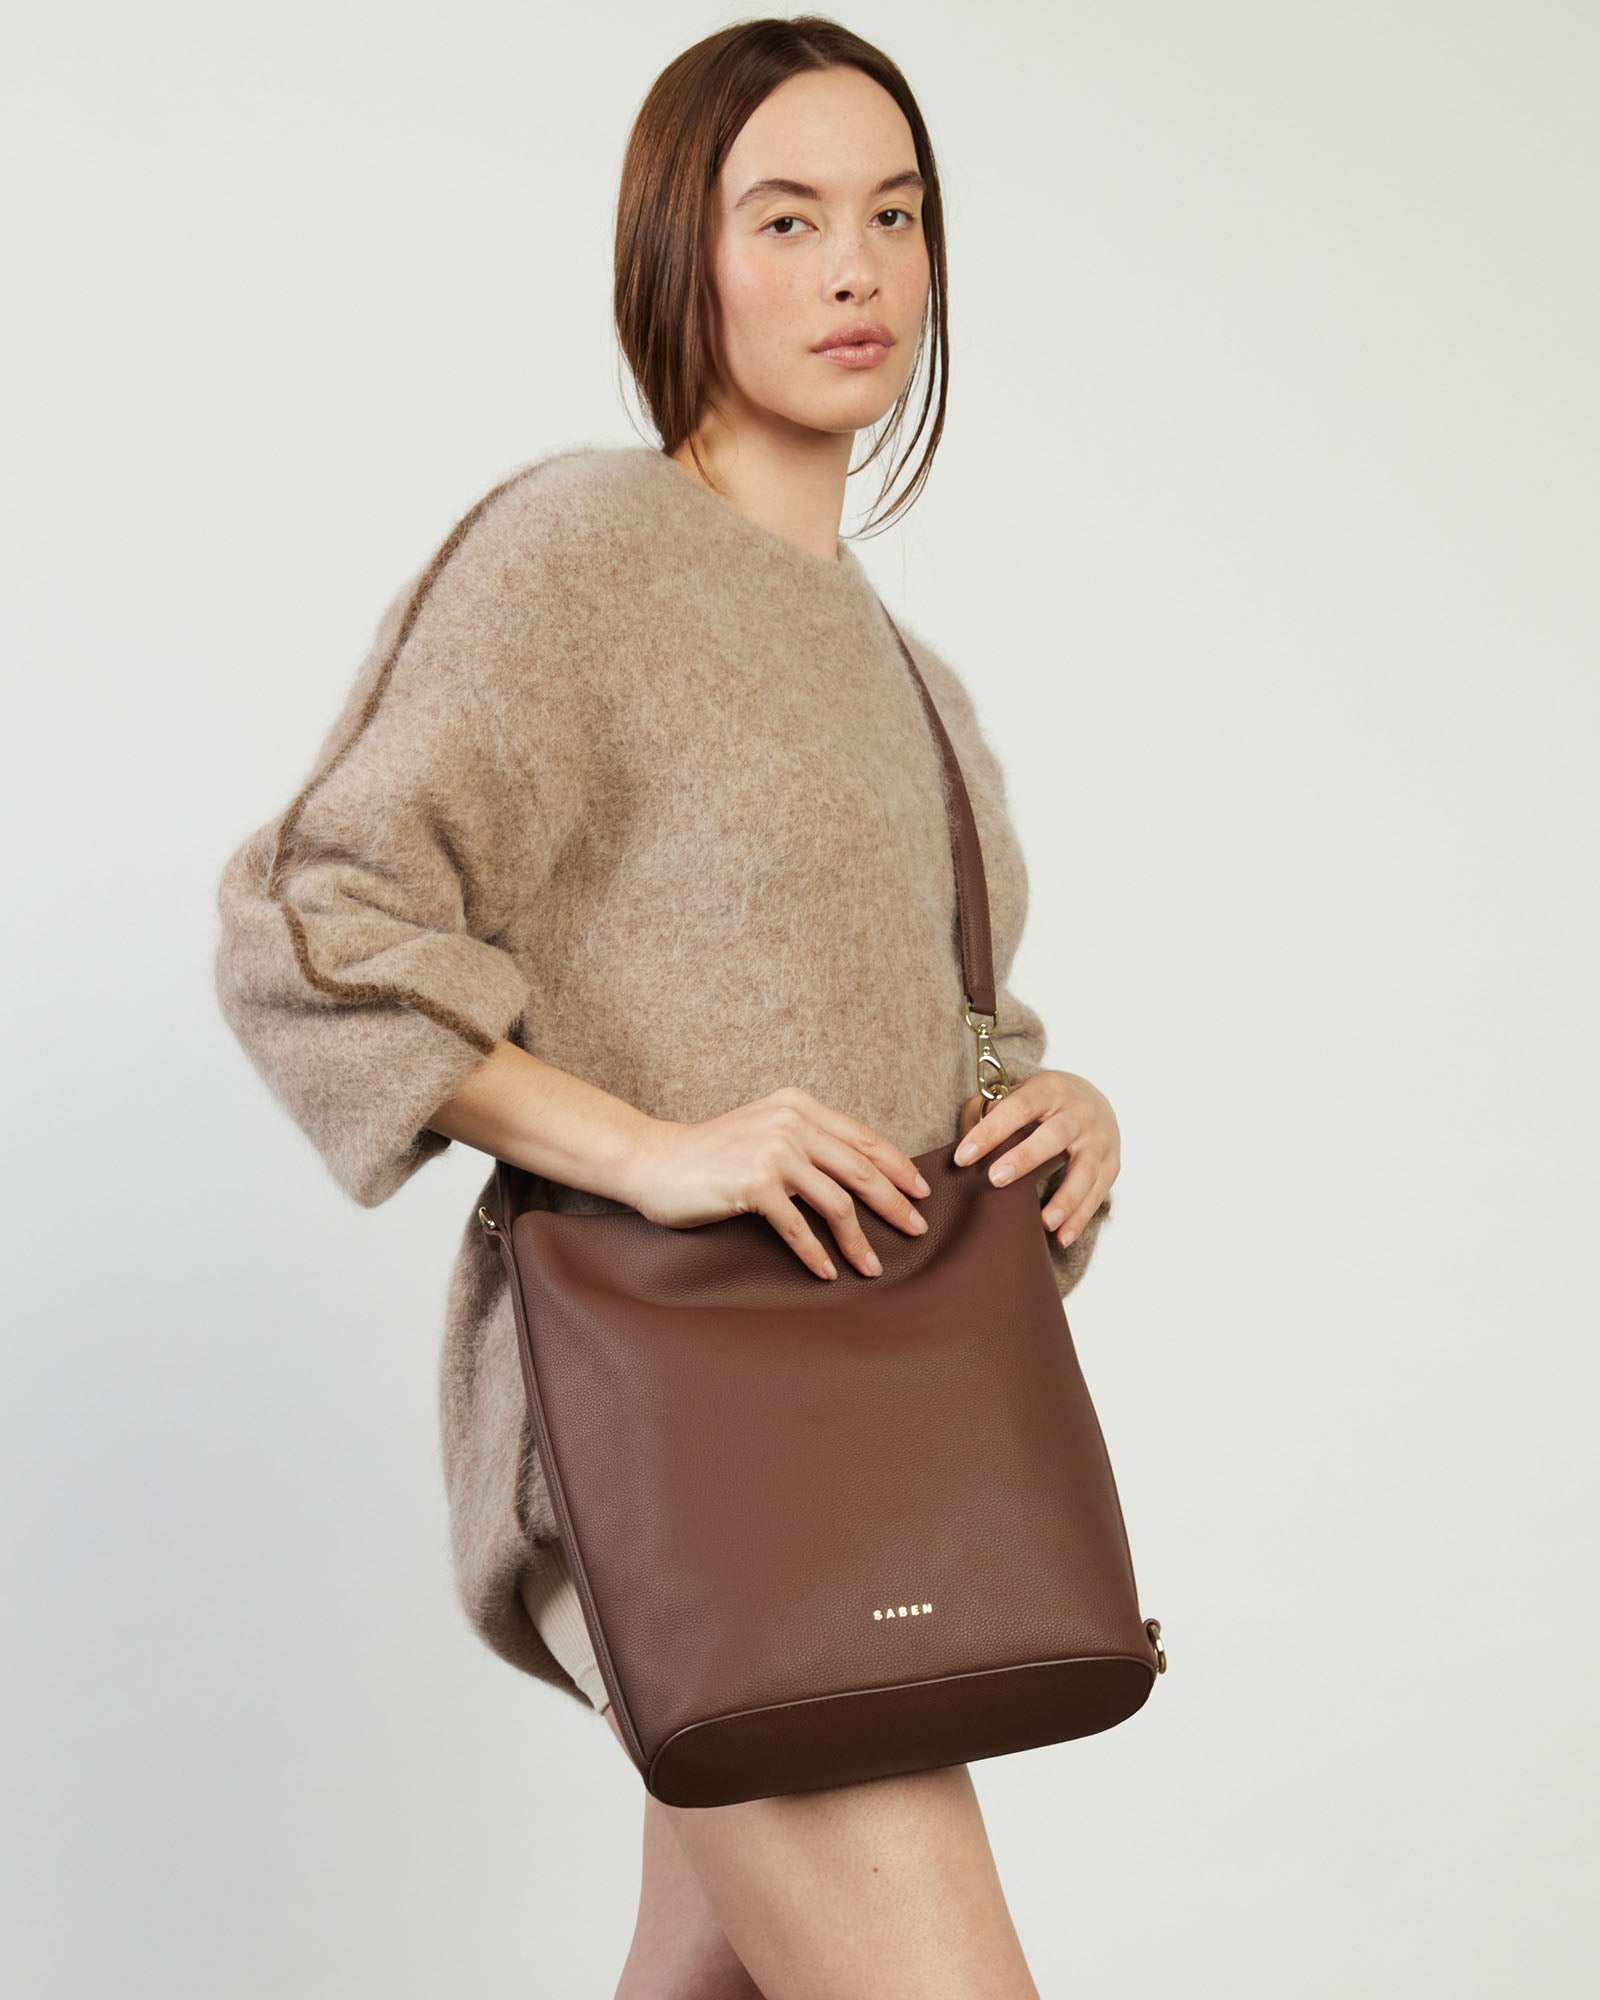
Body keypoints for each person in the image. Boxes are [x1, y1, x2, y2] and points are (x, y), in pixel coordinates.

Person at [213, 17, 1120, 1999]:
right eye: (784, 219)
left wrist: (1055, 1116)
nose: (855, 268)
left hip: (857, 1454)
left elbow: (922, 1044)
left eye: (893, 216)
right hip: (675, 1446)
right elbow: (315, 920)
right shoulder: (579, 552)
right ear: (673, 256)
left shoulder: (917, 685)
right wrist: (647, 1150)